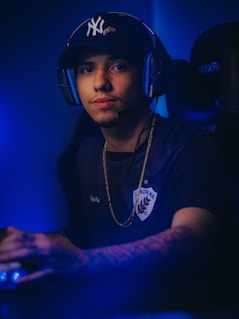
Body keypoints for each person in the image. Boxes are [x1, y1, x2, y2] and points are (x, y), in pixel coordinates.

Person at [0, 11, 227, 313]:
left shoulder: (194, 148)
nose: (99, 83)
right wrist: (25, 244)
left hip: (179, 309)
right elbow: (81, 241)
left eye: (118, 66)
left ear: (152, 73)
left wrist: (79, 263)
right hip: (112, 304)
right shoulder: (87, 152)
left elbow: (189, 242)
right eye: (86, 69)